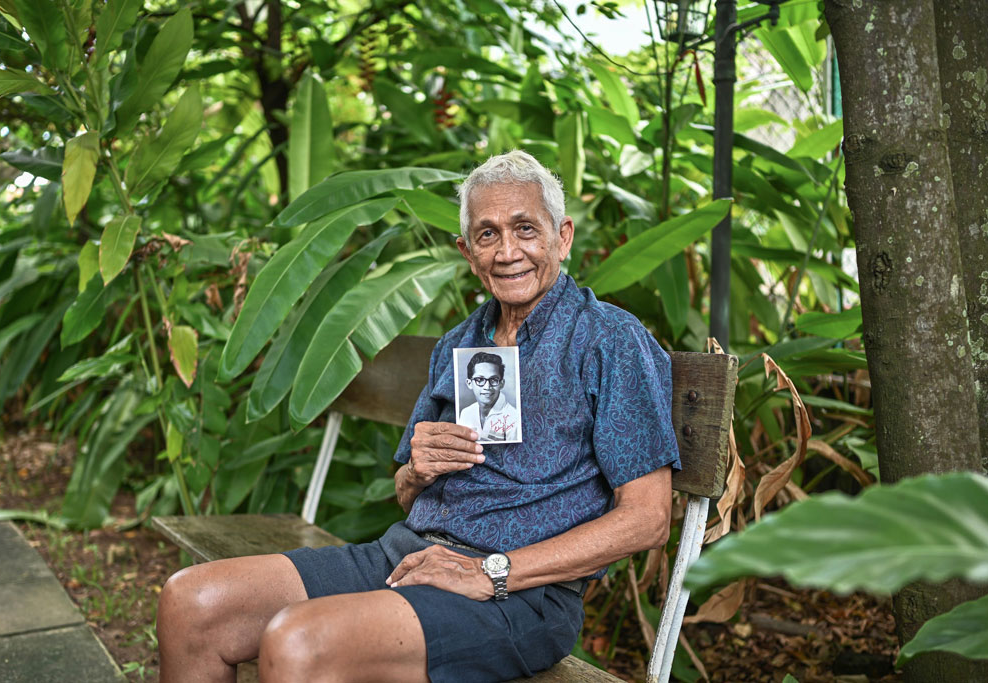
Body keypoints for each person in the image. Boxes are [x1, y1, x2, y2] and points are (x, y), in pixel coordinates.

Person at [156, 150, 680, 683]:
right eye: (487, 235)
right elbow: (406, 494)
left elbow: (648, 518)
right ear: (467, 252)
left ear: (562, 236)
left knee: (299, 642)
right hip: (408, 555)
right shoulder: (460, 344)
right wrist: (418, 470)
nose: (507, 252)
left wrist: (489, 573)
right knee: (190, 602)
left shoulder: (609, 340)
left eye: (525, 229)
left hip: (520, 594)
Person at [457, 351, 520, 442]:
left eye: (494, 379)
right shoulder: (465, 413)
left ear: (501, 384)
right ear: (469, 383)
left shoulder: (513, 418)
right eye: (480, 379)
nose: (487, 387)